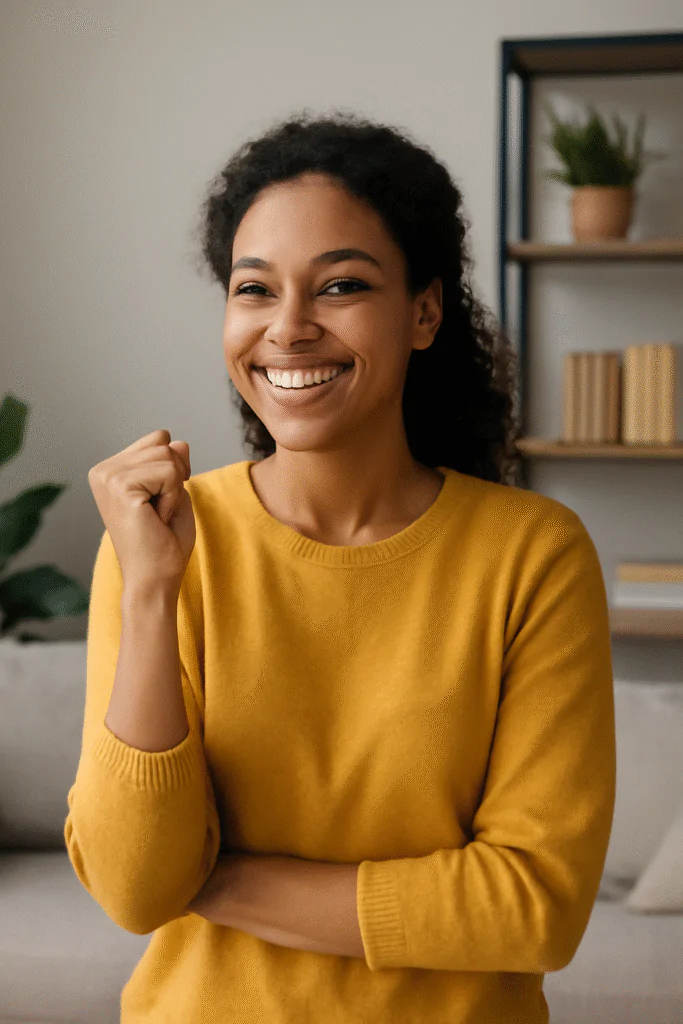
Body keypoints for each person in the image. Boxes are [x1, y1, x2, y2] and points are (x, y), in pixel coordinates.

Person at [65, 110, 616, 1023]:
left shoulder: (533, 555)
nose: (288, 329)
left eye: (341, 286)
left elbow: (534, 908)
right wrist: (154, 591)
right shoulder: (159, 541)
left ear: (424, 312)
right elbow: (133, 888)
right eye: (253, 289)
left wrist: (213, 879)